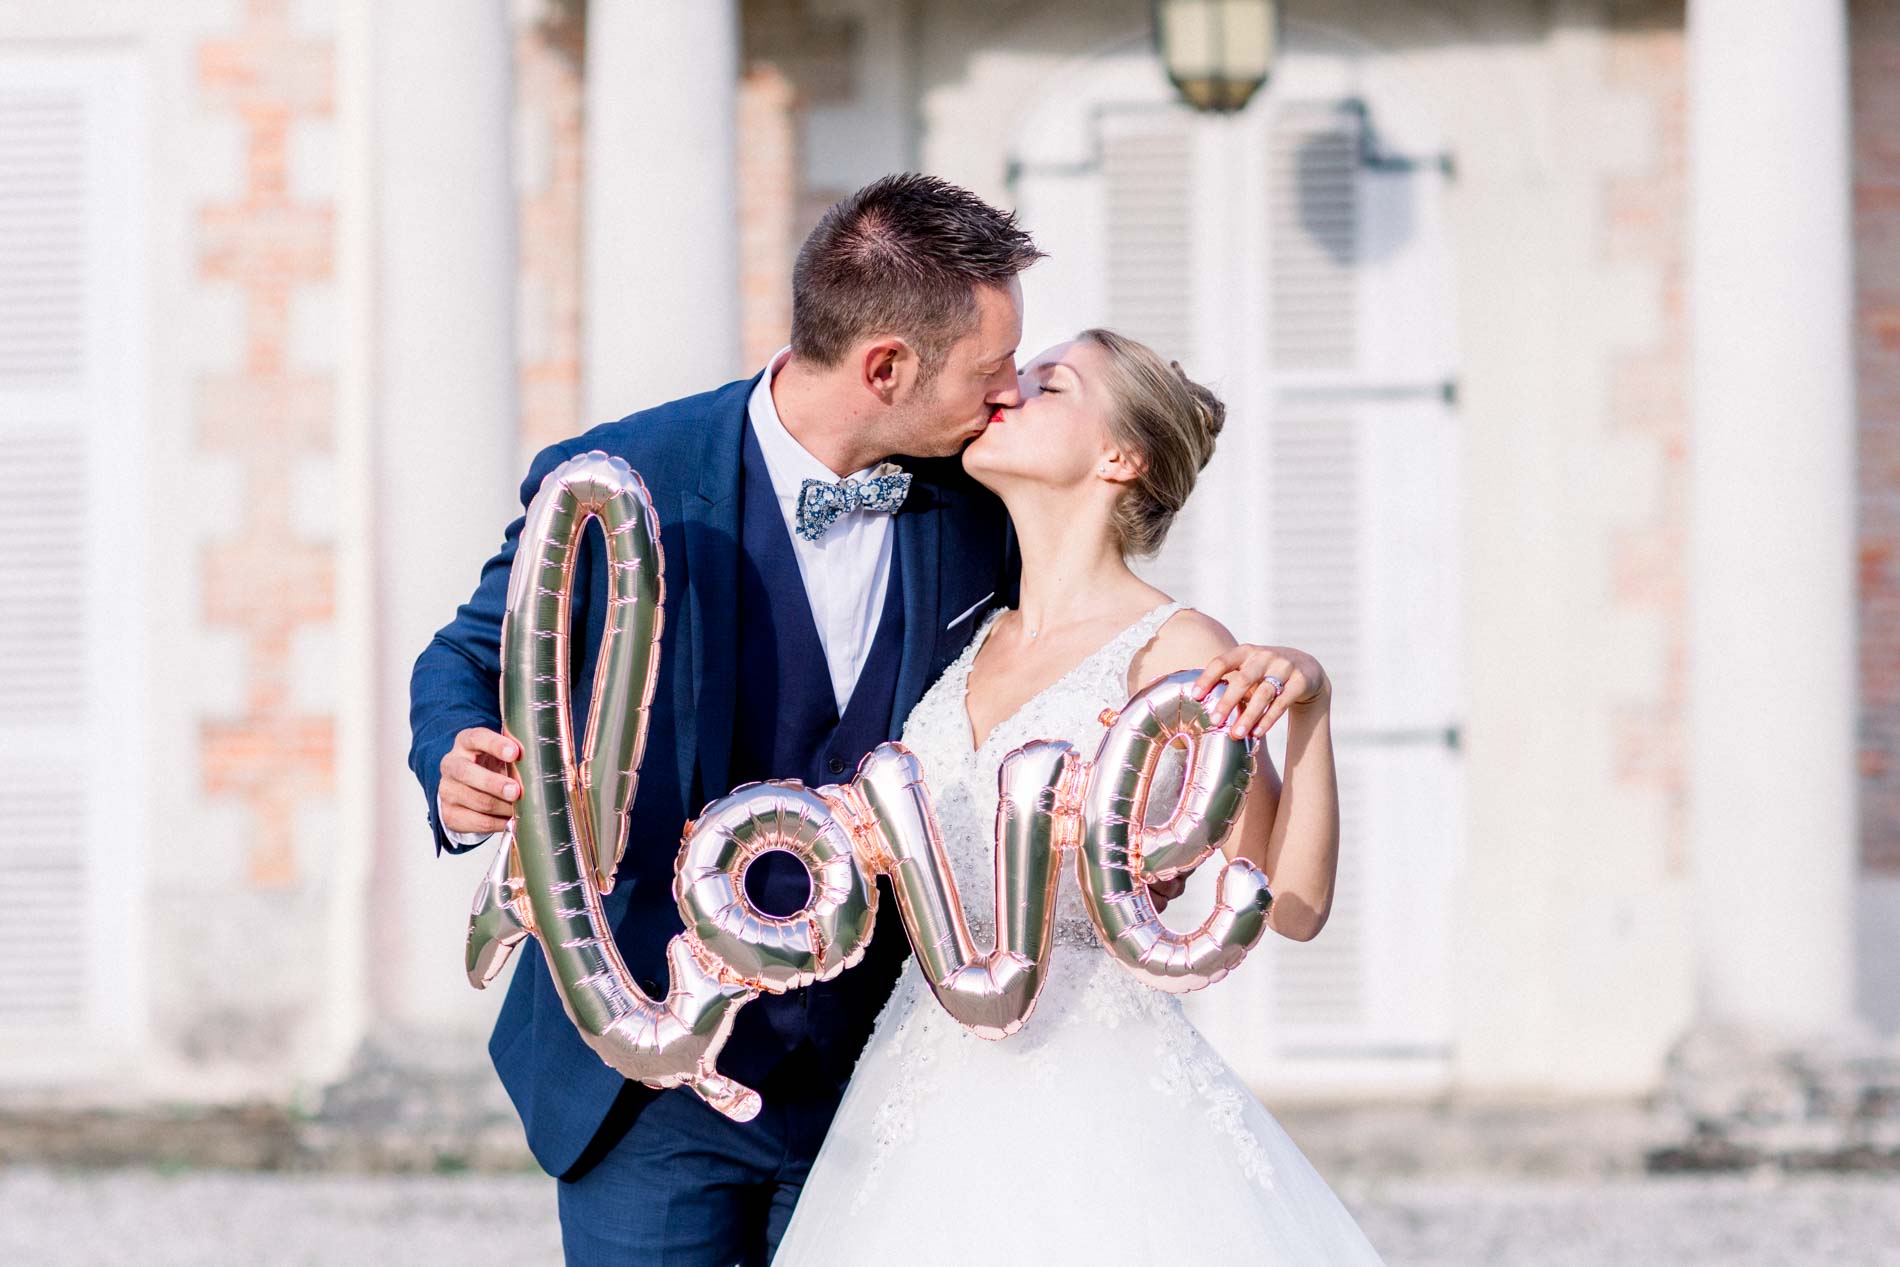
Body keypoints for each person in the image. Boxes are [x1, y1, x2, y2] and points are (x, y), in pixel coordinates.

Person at [409, 174, 1218, 1266]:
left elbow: (1102, 613)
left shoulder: (982, 501)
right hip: (648, 1068)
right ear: (886, 366)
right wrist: (457, 751)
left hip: (879, 1075)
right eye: (988, 373)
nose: (1005, 397)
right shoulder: (633, 473)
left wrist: (1268, 675)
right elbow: (469, 655)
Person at [770, 328, 1386, 1264]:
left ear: (1119, 456)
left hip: (1094, 1090)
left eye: (1048, 383)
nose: (1007, 390)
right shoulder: (970, 637)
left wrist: (1314, 712)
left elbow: (1291, 904)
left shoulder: (1176, 647)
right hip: (919, 1084)